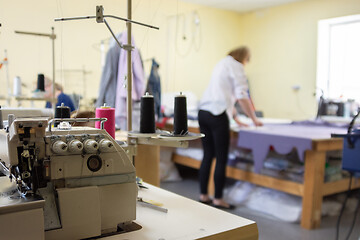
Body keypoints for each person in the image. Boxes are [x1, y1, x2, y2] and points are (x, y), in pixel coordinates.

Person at [198, 46, 263, 209]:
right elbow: (241, 95)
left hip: (203, 112)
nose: (247, 63)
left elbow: (224, 94)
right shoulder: (237, 66)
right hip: (217, 114)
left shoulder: (221, 63)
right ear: (244, 58)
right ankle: (218, 199)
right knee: (221, 157)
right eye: (248, 60)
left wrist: (236, 118)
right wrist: (254, 119)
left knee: (207, 155)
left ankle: (204, 195)